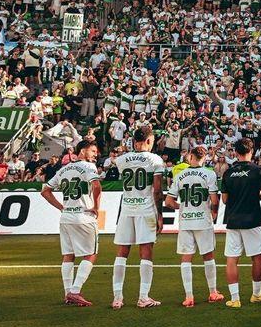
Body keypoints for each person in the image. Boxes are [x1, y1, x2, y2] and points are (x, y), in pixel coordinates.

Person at [41, 139, 102, 306]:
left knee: (69, 255)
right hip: (83, 217)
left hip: (66, 217)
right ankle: (75, 291)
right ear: (82, 151)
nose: (95, 154)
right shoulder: (89, 167)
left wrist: (62, 207)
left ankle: (68, 292)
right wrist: (96, 207)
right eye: (93, 151)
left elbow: (45, 191)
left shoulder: (64, 169)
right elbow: (96, 186)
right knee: (91, 254)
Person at [111, 126, 165, 309]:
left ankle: (117, 297)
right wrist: (160, 215)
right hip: (146, 210)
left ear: (134, 141)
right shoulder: (155, 160)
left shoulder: (121, 160)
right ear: (149, 141)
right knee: (146, 252)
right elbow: (157, 191)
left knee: (122, 252)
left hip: (126, 209)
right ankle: (143, 297)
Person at [164, 147, 223, 307]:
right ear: (204, 158)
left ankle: (189, 296)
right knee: (208, 256)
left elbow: (168, 202)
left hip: (185, 220)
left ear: (190, 157)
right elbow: (215, 200)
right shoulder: (209, 174)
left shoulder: (180, 175)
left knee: (186, 258)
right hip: (203, 220)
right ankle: (212, 292)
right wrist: (214, 212)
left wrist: (181, 206)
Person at [221, 138, 261, 307]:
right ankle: (256, 294)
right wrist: (254, 194)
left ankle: (235, 299)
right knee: (256, 257)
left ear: (235, 152)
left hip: (233, 220)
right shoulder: (258, 170)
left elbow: (225, 199)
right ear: (252, 151)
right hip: (252, 220)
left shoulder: (228, 172)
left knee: (232, 259)